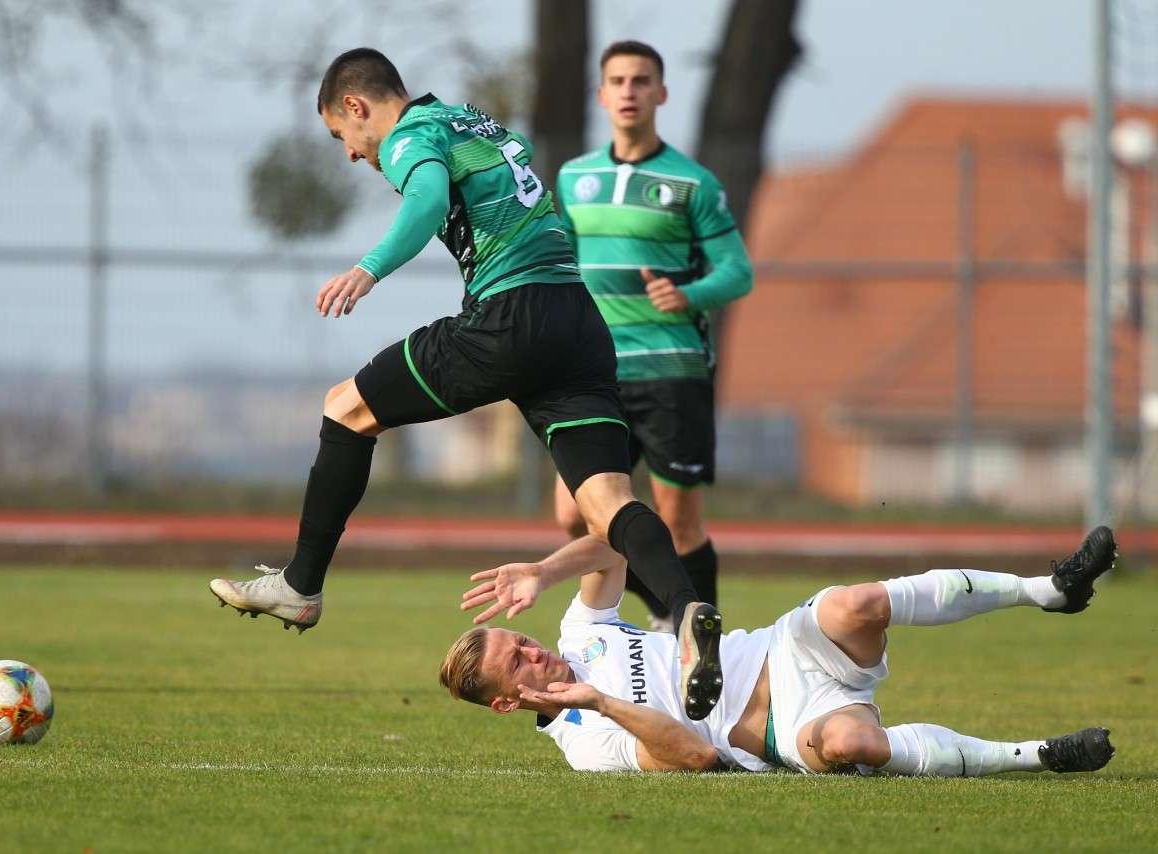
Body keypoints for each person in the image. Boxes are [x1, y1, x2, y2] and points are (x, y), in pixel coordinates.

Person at [207, 47, 724, 719]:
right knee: (608, 504)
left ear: (357, 107)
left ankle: (302, 585)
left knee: (346, 409)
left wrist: (368, 268)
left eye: (342, 135)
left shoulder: (410, 136)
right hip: (579, 322)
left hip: (512, 318)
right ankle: (686, 614)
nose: (352, 154)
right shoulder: (468, 120)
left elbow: (425, 199)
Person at [439, 526, 1118, 776]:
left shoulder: (580, 632)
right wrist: (603, 703)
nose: (534, 654)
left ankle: (1050, 590)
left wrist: (542, 571)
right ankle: (1040, 756)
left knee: (854, 604)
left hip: (782, 649)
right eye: (517, 664)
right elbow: (695, 758)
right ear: (506, 705)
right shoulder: (587, 746)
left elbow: (613, 548)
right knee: (853, 744)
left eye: (521, 641)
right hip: (781, 730)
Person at [552, 41, 754, 631]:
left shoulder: (692, 183)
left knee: (679, 520)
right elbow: (562, 264)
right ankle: (668, 609)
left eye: (641, 81)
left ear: (661, 93)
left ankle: (704, 640)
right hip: (596, 373)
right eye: (617, 80)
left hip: (671, 372)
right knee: (574, 514)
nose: (629, 91)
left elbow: (737, 271)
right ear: (601, 94)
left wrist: (688, 294)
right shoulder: (574, 177)